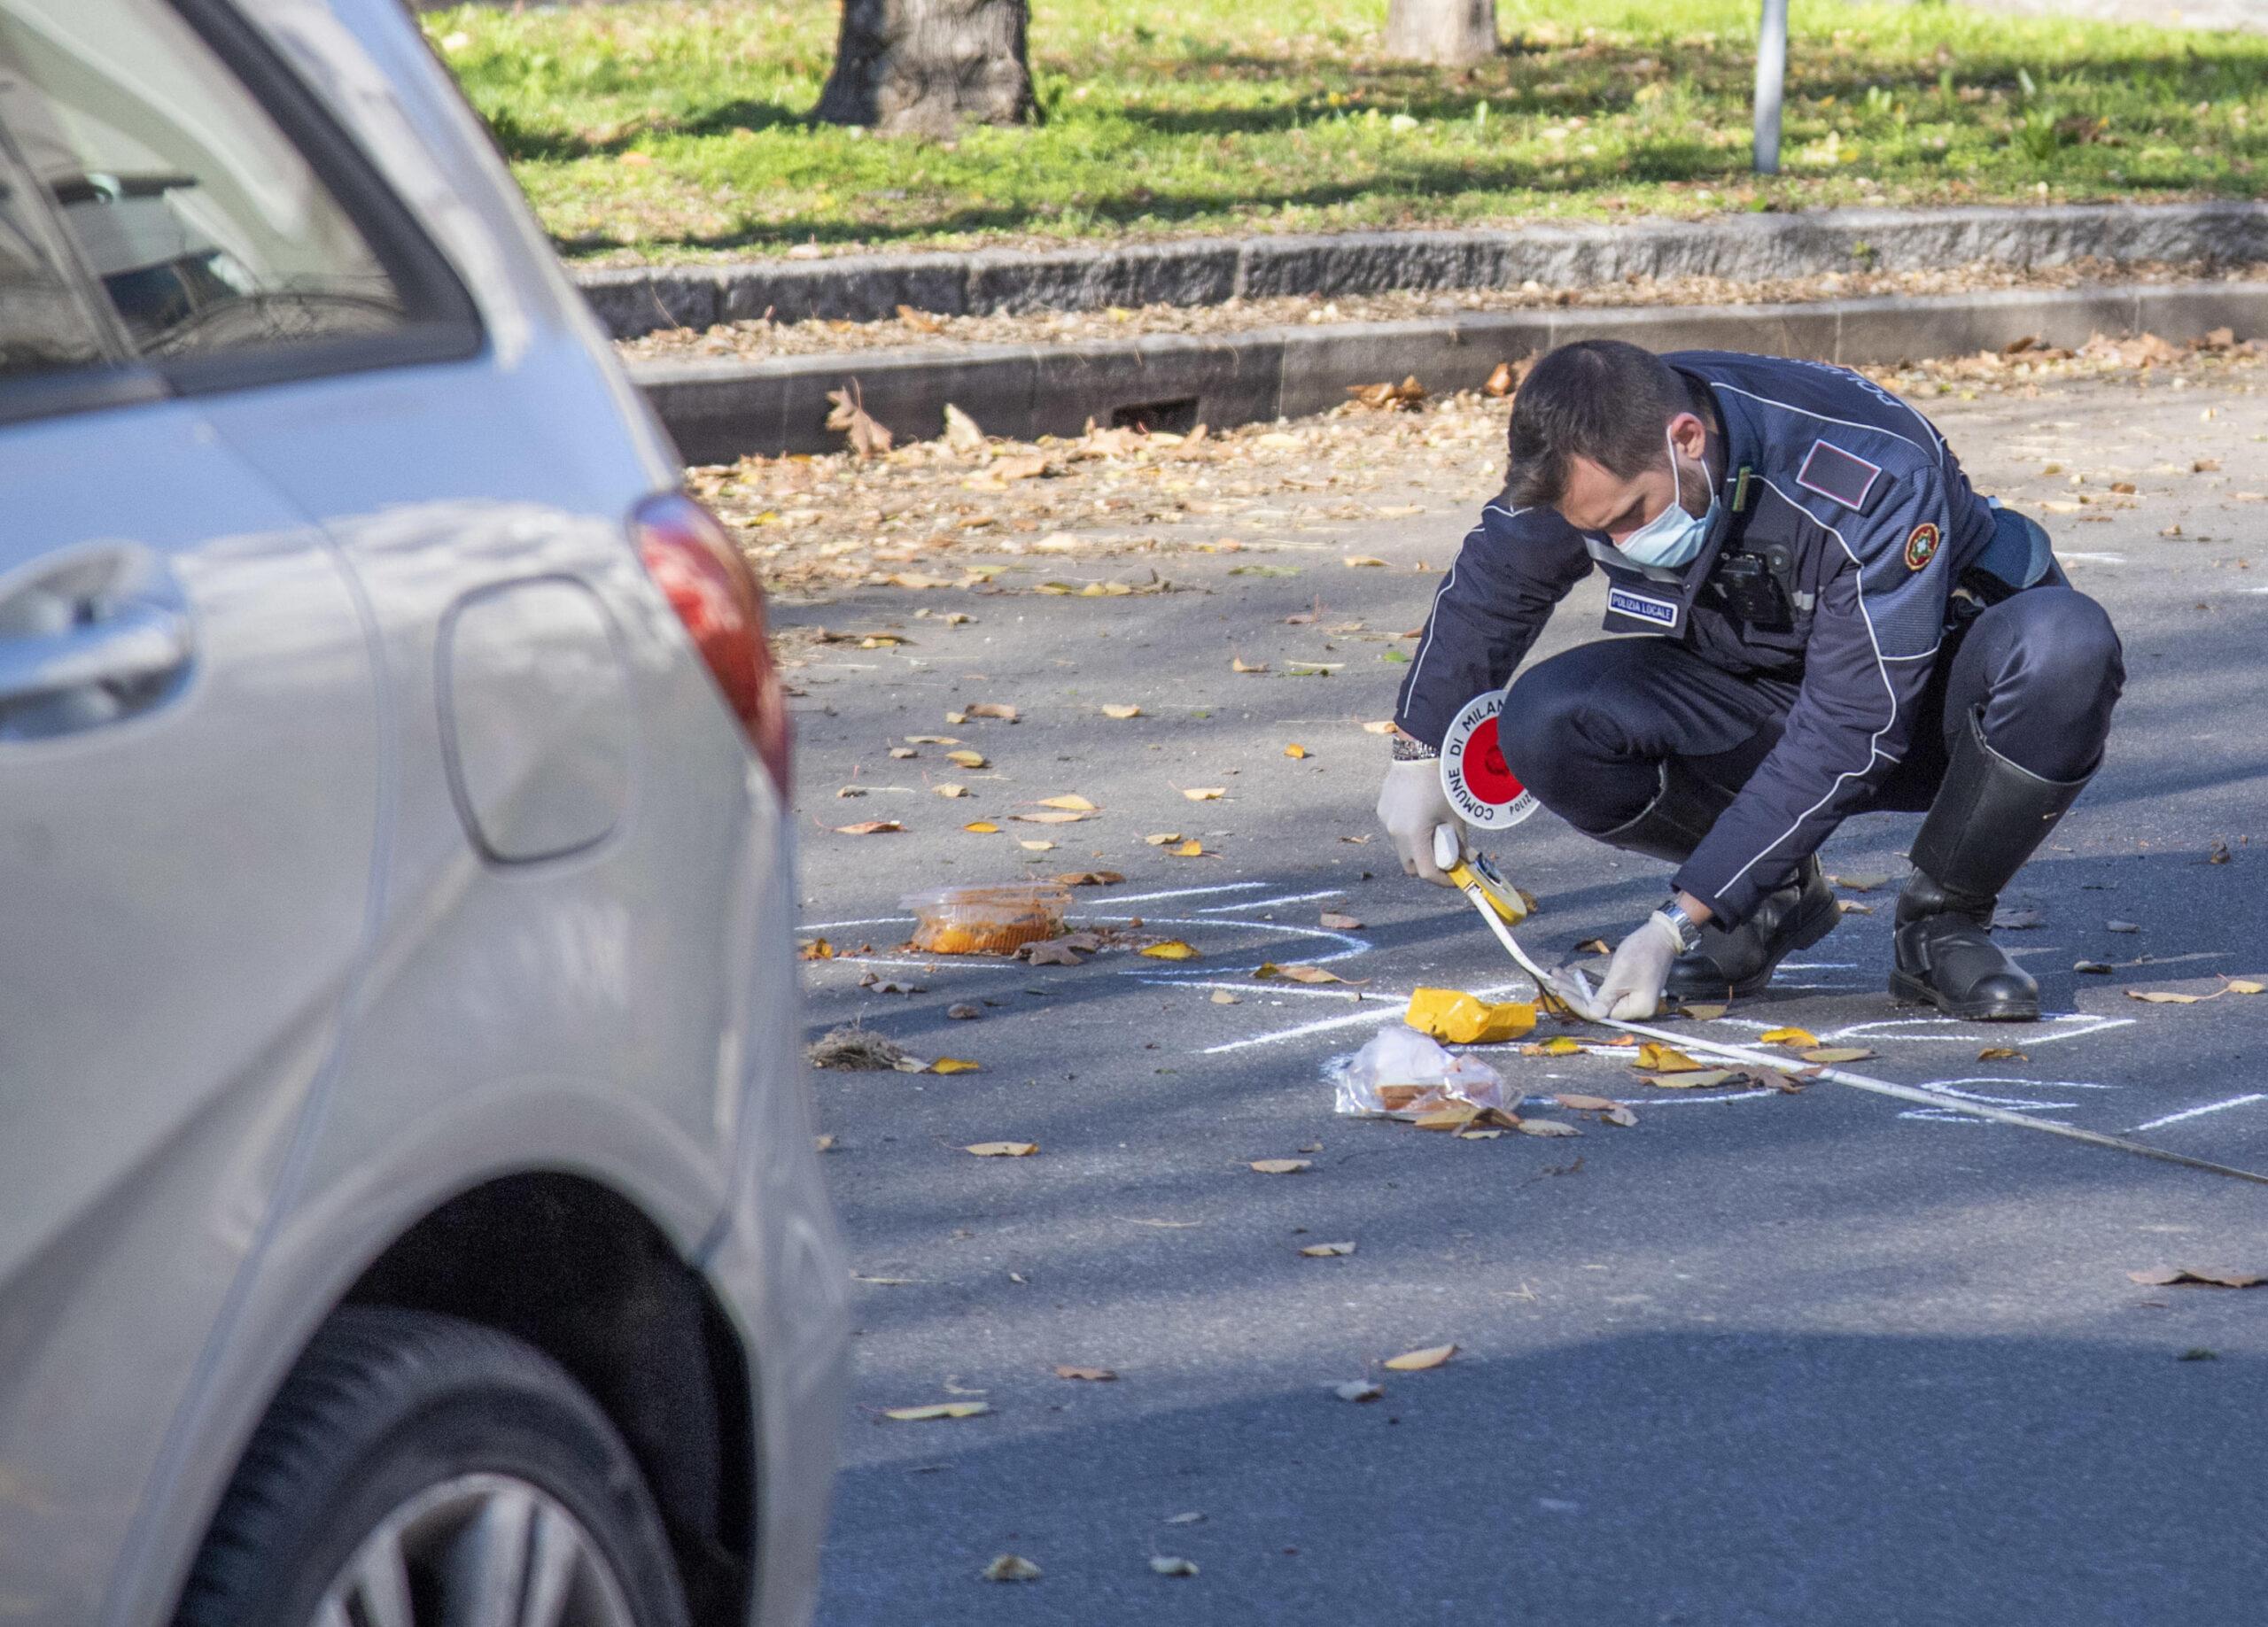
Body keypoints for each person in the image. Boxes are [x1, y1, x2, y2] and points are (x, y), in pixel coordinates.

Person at [1377, 339, 2123, 1023]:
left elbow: (1852, 727)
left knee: (2064, 645)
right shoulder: (1595, 446)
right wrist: (1420, 749)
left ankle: (1942, 926)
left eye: (1633, 516)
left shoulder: (1868, 471)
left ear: (1686, 441)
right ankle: (1772, 899)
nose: (1620, 542)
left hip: (1931, 712)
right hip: (1757, 692)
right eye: (1598, 530)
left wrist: (1675, 922)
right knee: (1547, 721)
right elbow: (1497, 581)